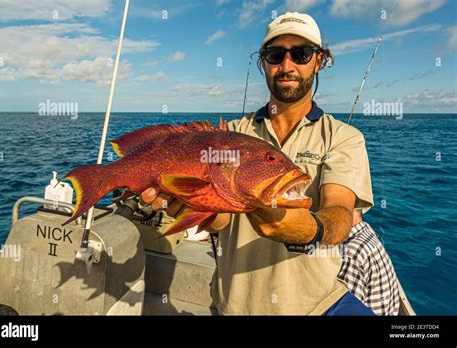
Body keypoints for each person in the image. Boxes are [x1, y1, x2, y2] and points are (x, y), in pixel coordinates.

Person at [140, 12, 399, 315]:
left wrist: (310, 229)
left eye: (300, 54)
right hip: (235, 306)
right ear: (264, 62)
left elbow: (340, 215)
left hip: (320, 305)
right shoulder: (231, 135)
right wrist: (190, 203)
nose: (287, 66)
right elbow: (221, 221)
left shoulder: (343, 137)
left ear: (319, 61)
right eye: (276, 54)